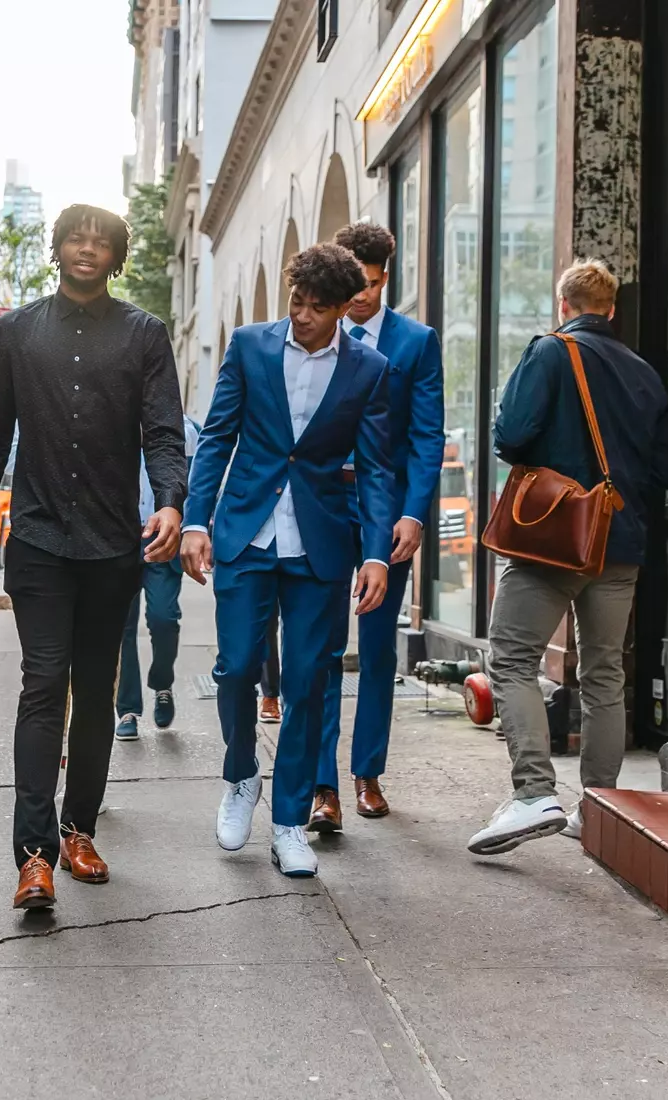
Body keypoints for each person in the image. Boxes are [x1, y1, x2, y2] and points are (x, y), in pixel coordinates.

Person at [0, 204, 187, 910]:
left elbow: (164, 432)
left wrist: (172, 501)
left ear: (116, 257)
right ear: (57, 251)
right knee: (43, 684)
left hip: (114, 543)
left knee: (94, 693)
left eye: (102, 242)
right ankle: (33, 855)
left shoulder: (145, 335)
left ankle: (79, 828)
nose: (88, 250)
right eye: (76, 239)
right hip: (40, 540)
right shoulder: (17, 333)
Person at [182, 243, 396, 879]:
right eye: (296, 301)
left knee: (308, 681)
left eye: (316, 307)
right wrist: (197, 519)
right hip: (246, 531)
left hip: (321, 541)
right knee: (235, 667)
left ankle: (287, 822)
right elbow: (219, 435)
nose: (301, 315)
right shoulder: (250, 345)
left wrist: (378, 554)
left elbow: (378, 468)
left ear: (343, 309)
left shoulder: (369, 368)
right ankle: (242, 774)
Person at [469, 259, 668, 856]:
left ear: (564, 306)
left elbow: (511, 435)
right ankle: (602, 804)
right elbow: (661, 469)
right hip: (622, 543)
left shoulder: (551, 352)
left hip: (553, 539)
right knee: (604, 675)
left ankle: (535, 792)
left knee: (510, 658)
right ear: (610, 310)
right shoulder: (645, 373)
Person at [310, 222, 444, 832]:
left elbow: (425, 437)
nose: (360, 296)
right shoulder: (313, 333)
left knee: (380, 645)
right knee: (321, 648)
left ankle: (367, 773)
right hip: (319, 507)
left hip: (387, 515)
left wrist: (414, 514)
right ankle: (322, 786)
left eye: (371, 284)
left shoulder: (415, 342)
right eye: (353, 283)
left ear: (386, 276)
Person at [115, 412, 202, 740]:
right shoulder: (111, 416)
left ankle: (162, 683)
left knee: (164, 618)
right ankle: (127, 709)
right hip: (119, 536)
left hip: (162, 539)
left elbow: (196, 485)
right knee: (121, 626)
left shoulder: (184, 428)